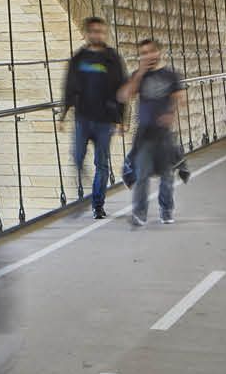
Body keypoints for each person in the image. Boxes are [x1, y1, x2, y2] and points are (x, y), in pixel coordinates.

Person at [61, 16, 126, 218]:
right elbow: (69, 86)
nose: (98, 35)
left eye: (101, 32)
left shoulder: (112, 58)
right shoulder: (78, 58)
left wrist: (121, 119)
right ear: (87, 33)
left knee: (102, 163)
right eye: (94, 31)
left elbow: (121, 88)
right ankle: (85, 187)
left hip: (105, 120)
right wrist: (63, 114)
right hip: (83, 118)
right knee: (77, 156)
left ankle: (98, 205)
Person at [119, 37, 186, 226]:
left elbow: (181, 98)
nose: (148, 56)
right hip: (144, 134)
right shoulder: (138, 76)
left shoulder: (171, 75)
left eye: (151, 52)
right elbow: (124, 96)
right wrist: (140, 73)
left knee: (167, 175)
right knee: (142, 174)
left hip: (164, 133)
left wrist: (171, 113)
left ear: (158, 52)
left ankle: (166, 210)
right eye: (144, 53)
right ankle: (139, 213)